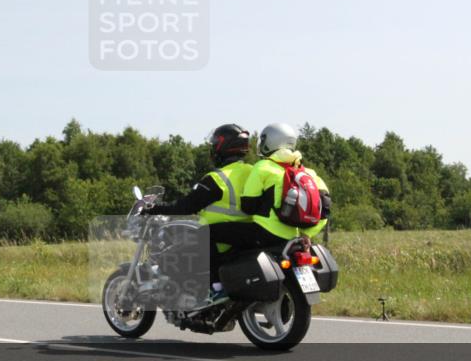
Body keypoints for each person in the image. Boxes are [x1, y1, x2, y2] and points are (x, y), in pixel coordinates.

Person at [141, 124, 255, 305]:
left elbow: (186, 206)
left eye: (215, 143)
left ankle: (201, 294)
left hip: (218, 242)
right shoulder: (254, 172)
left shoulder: (217, 178)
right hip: (245, 238)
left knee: (172, 255)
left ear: (222, 147)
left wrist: (154, 208)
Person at [240, 123, 330, 246]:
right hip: (294, 237)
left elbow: (247, 206)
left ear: (271, 142)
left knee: (215, 232)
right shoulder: (309, 173)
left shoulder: (262, 167)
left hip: (264, 233)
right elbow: (325, 208)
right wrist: (307, 234)